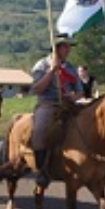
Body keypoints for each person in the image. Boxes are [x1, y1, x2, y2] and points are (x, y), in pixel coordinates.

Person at [29, 33, 82, 187]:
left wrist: (73, 97)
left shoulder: (71, 67)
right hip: (48, 103)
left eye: (69, 46)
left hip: (68, 104)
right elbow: (37, 89)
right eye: (65, 46)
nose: (68, 49)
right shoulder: (41, 65)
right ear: (57, 48)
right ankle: (42, 170)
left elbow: (79, 91)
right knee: (40, 130)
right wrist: (51, 71)